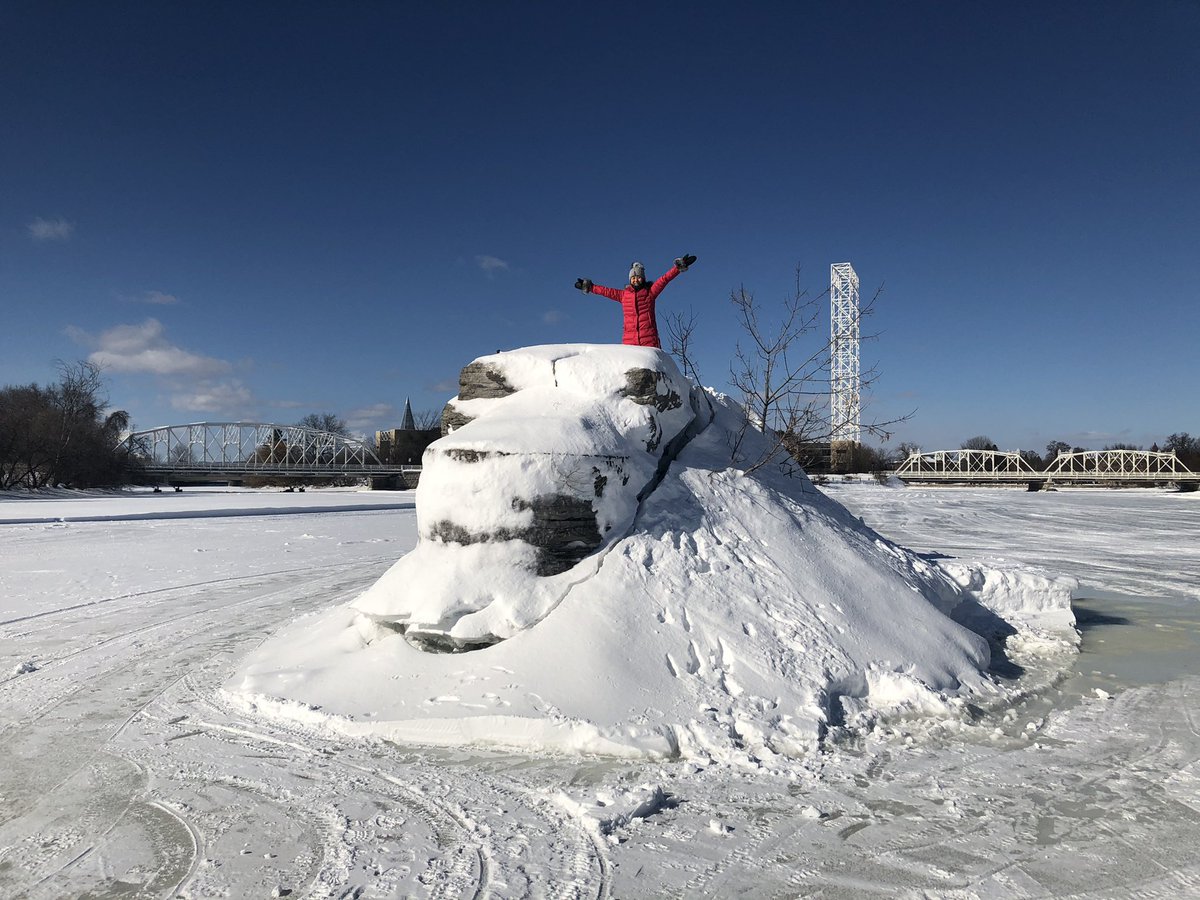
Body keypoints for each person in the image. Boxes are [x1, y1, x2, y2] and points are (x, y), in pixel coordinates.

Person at [575, 254, 697, 348]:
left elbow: (664, 279)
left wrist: (677, 268)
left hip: (649, 343)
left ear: (643, 278)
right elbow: (606, 291)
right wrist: (590, 287)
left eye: (638, 277)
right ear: (630, 280)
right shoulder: (623, 295)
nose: (636, 280)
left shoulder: (650, 292)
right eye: (633, 278)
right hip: (629, 343)